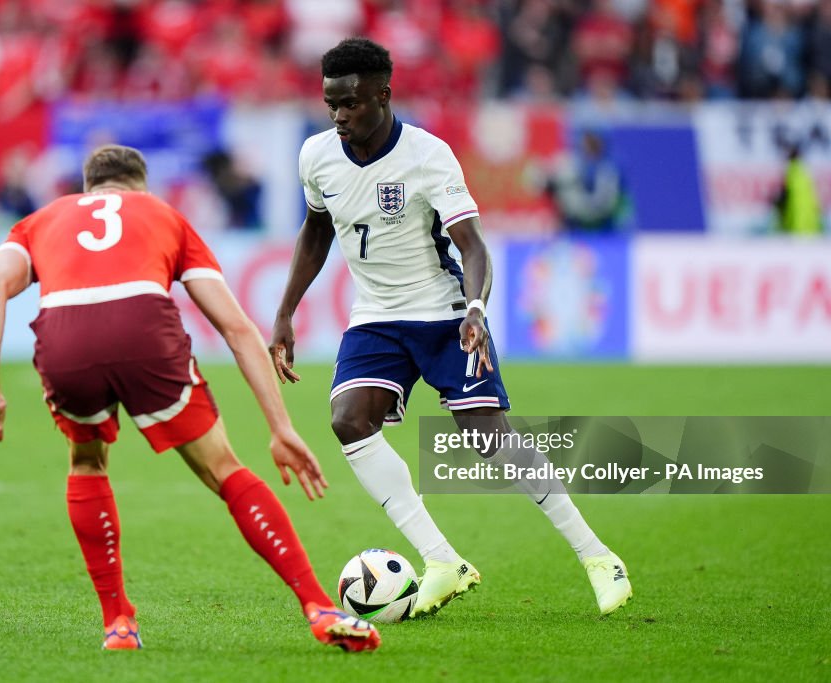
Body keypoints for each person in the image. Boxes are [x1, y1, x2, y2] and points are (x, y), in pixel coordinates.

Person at [269, 38, 632, 617]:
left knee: (487, 436)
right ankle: (443, 559)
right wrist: (286, 311)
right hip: (376, 318)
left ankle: (598, 556)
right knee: (347, 420)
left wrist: (475, 310)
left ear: (383, 96)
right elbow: (316, 230)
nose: (339, 116)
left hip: (443, 313)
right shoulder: (317, 156)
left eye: (352, 104)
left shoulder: (428, 156)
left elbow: (474, 248)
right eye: (331, 103)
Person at [0, 144, 380, 652]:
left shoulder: (39, 220)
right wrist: (280, 427)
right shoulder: (162, 214)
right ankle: (318, 606)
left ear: (87, 189)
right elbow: (235, 328)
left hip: (65, 338)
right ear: (139, 187)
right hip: (144, 331)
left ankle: (118, 623)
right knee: (224, 469)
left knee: (87, 461)